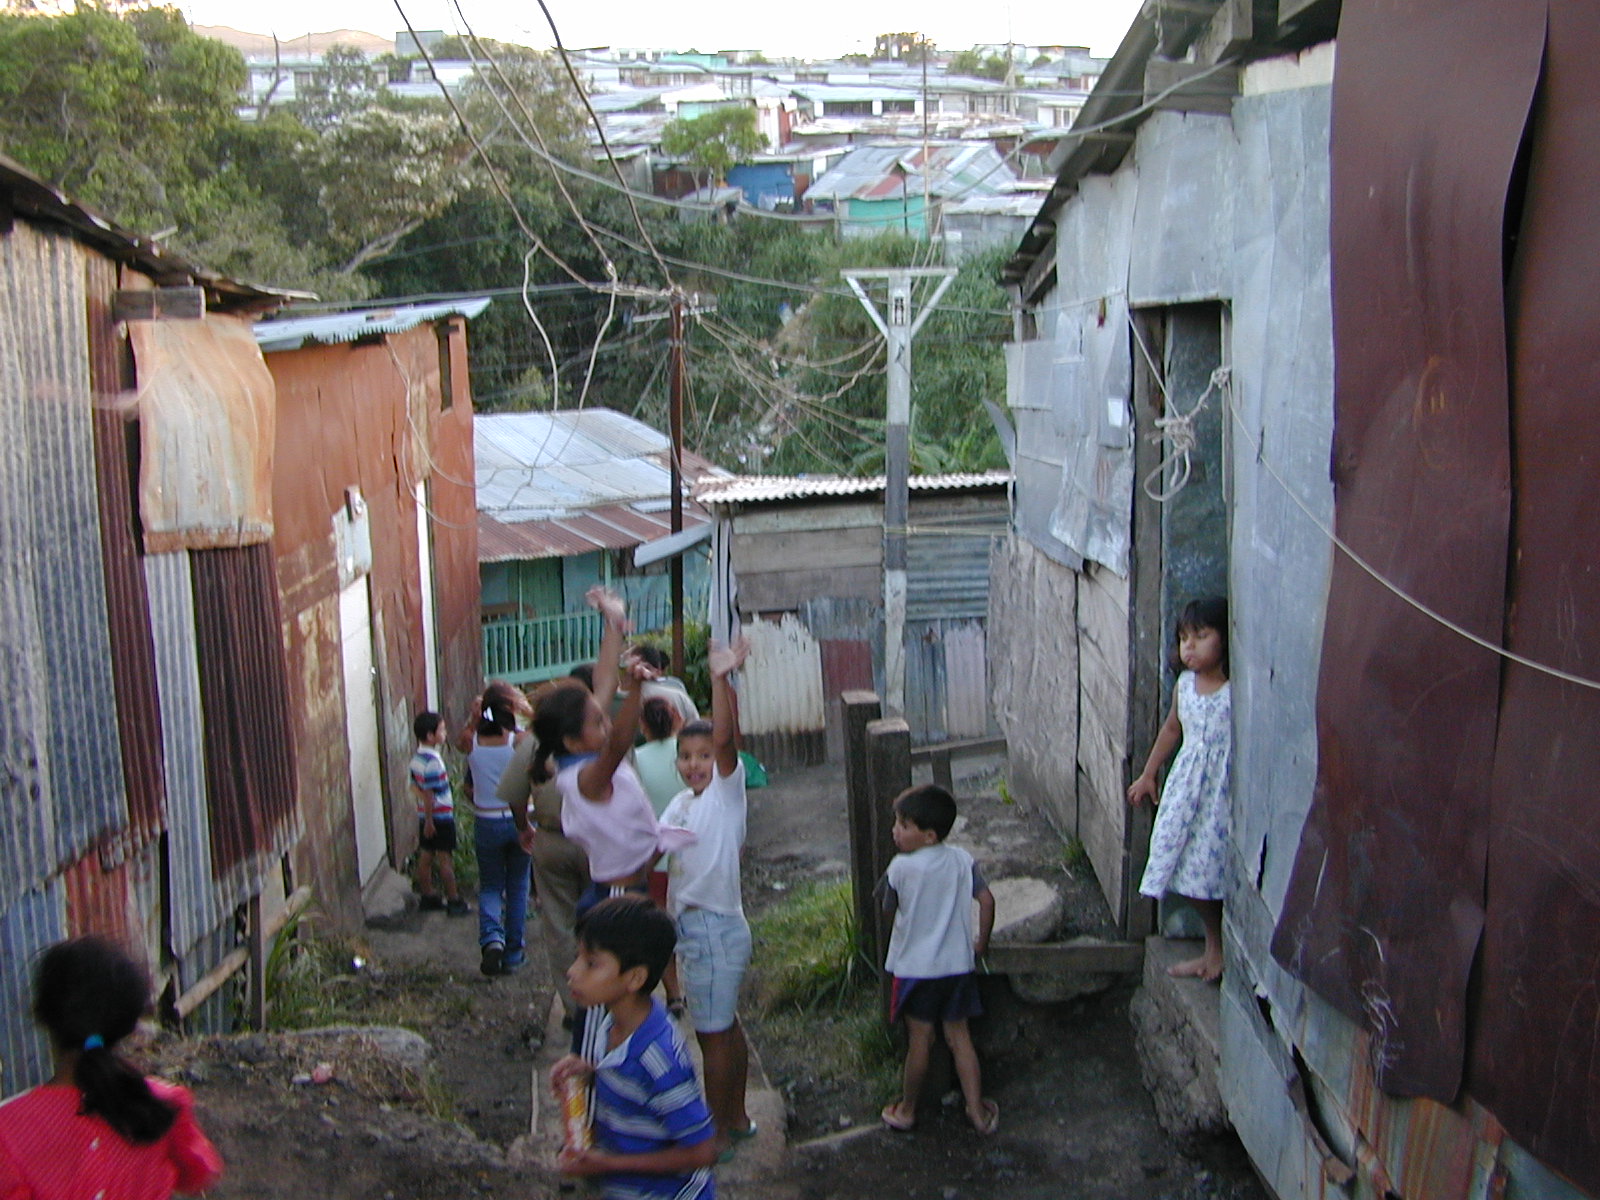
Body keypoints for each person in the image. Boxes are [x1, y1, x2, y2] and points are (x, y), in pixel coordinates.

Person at [530, 588, 694, 1056]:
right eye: (597, 723)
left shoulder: (578, 753)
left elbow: (602, 682)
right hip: (617, 894)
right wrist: (636, 689)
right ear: (571, 740)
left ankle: (607, 1063)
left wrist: (614, 622)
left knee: (622, 989)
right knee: (611, 994)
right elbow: (619, 741)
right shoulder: (584, 778)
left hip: (623, 888)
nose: (605, 723)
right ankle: (591, 1067)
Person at [0, 936, 223, 1199]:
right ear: (127, 1024)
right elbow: (198, 1172)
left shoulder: (10, 1130)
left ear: (42, 1016)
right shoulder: (161, 1104)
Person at [549, 896, 717, 1199]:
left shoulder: (660, 1059)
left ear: (635, 978)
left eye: (591, 963)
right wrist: (590, 1072)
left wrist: (609, 1164)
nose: (572, 971)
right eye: (578, 957)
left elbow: (702, 1152)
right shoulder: (611, 1021)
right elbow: (633, 1084)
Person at [659, 637, 756, 1157]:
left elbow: (724, 740)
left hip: (714, 929)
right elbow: (652, 846)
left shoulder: (725, 792)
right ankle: (735, 1119)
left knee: (712, 1036)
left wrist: (719, 678)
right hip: (695, 930)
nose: (695, 764)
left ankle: (715, 1135)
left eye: (703, 757)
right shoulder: (680, 803)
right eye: (685, 756)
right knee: (723, 1029)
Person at [878, 784, 998, 1137]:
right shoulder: (962, 860)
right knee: (960, 1038)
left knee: (921, 1040)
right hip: (957, 967)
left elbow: (887, 910)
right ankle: (976, 1111)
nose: (895, 831)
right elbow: (987, 901)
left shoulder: (900, 868)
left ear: (929, 836)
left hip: (915, 971)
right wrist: (980, 944)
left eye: (904, 825)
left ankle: (907, 1110)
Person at [1126, 595, 1232, 982]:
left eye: (1201, 636)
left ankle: (1218, 953)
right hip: (1188, 793)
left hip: (1222, 796)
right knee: (1185, 866)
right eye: (1184, 638)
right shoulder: (1185, 687)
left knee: (1215, 872)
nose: (1189, 646)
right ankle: (1214, 950)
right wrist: (1148, 774)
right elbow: (1172, 729)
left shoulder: (1236, 692)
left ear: (1226, 639)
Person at [499, 678, 592, 1028]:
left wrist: (524, 826)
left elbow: (514, 793)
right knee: (602, 918)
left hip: (552, 839)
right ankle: (606, 997)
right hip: (597, 841)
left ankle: (574, 1006)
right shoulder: (599, 738)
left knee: (559, 923)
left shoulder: (533, 743)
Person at [456, 685, 529, 976]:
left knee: (490, 885)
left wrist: (475, 716)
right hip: (518, 819)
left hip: (485, 820)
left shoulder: (471, 740)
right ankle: (513, 953)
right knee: (518, 885)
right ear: (510, 708)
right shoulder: (519, 741)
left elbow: (461, 738)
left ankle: (491, 939)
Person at [411, 711, 469, 916]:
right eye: (442, 730)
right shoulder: (433, 761)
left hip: (426, 815)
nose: (445, 733)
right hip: (439, 817)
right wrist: (430, 820)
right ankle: (453, 899)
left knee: (426, 855)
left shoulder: (417, 758)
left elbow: (415, 788)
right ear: (430, 736)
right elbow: (429, 793)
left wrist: (425, 816)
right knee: (445, 859)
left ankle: (428, 895)